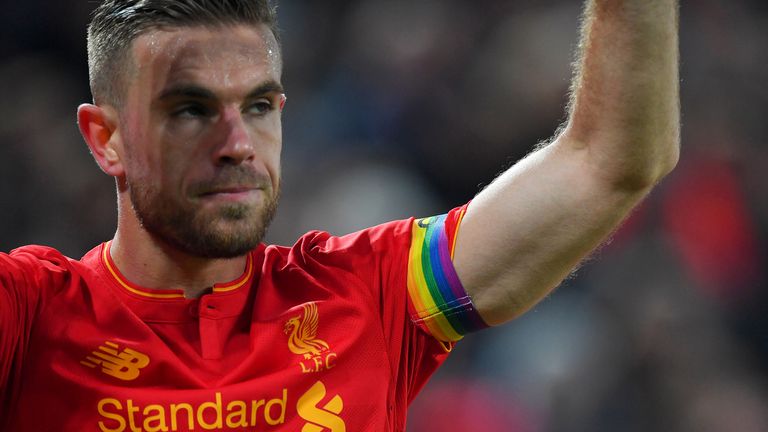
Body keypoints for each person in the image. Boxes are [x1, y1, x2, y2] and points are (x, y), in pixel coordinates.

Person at [0, 0, 680, 430]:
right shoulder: (31, 315)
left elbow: (606, 162)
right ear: (105, 139)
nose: (237, 146)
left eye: (259, 108)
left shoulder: (367, 295)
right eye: (190, 111)